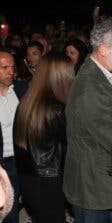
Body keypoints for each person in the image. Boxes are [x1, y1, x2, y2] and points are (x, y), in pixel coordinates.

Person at [63, 17, 112, 223]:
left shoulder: (105, 74)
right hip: (93, 192)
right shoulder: (90, 89)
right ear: (104, 49)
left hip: (103, 186)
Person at [13, 54, 75, 223]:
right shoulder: (57, 109)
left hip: (28, 179)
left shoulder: (27, 103)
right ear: (63, 76)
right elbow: (70, 147)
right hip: (49, 181)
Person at [0, 48, 28, 223]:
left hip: (22, 160)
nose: (11, 71)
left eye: (13, 67)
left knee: (17, 210)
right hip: (2, 165)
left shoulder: (22, 89)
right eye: (4, 67)